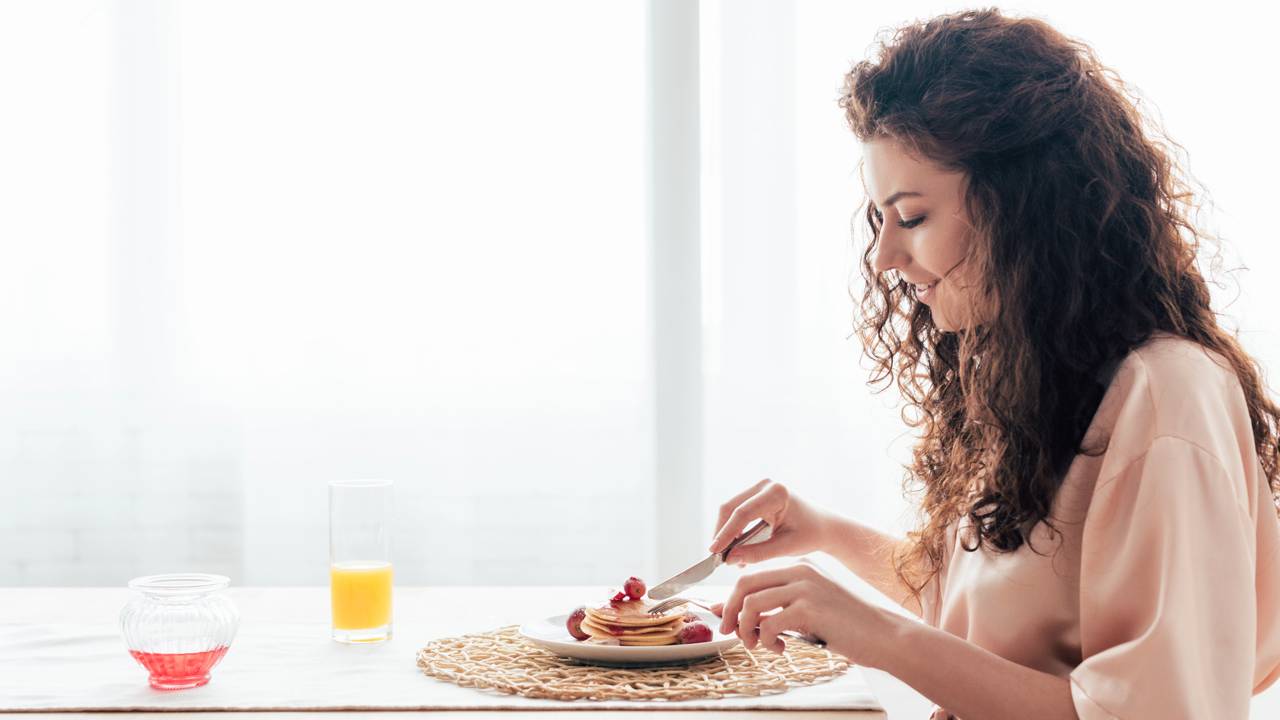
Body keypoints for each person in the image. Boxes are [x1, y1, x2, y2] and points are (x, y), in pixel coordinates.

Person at [706, 8, 1280, 720]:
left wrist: (875, 633)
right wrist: (825, 532)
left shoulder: (1166, 400)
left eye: (911, 217)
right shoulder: (1053, 378)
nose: (884, 258)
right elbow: (998, 617)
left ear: (1024, 206)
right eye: (879, 221)